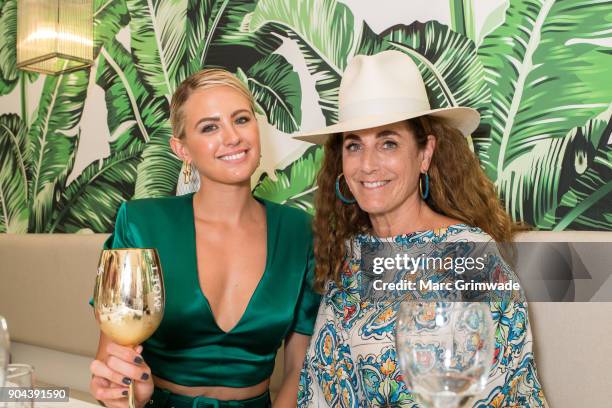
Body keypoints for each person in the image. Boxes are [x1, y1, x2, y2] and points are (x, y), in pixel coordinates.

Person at [294, 51, 548, 407]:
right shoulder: (348, 256)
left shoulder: (470, 255)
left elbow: (503, 392)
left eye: (388, 143)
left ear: (424, 154)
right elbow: (319, 386)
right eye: (354, 145)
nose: (367, 165)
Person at [89, 68, 320, 408]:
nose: (233, 137)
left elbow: (299, 370)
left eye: (241, 119)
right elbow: (114, 365)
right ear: (182, 149)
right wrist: (126, 394)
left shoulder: (300, 230)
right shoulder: (141, 223)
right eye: (210, 127)